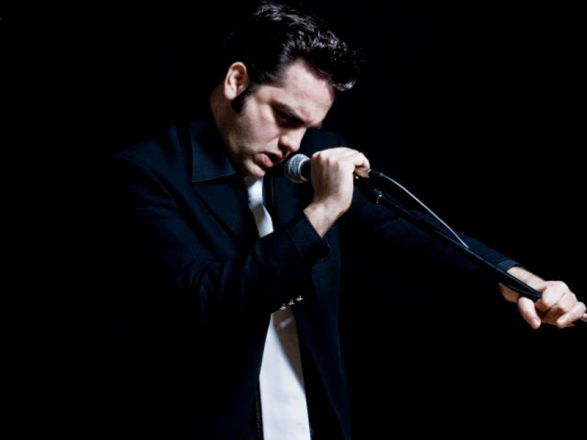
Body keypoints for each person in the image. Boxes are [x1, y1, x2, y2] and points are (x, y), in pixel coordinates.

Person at [104, 2, 586, 439]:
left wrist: (517, 279)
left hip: (312, 422)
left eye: (308, 127)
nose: (294, 143)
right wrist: (322, 211)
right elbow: (207, 300)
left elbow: (410, 230)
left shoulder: (310, 154)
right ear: (237, 81)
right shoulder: (145, 174)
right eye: (285, 117)